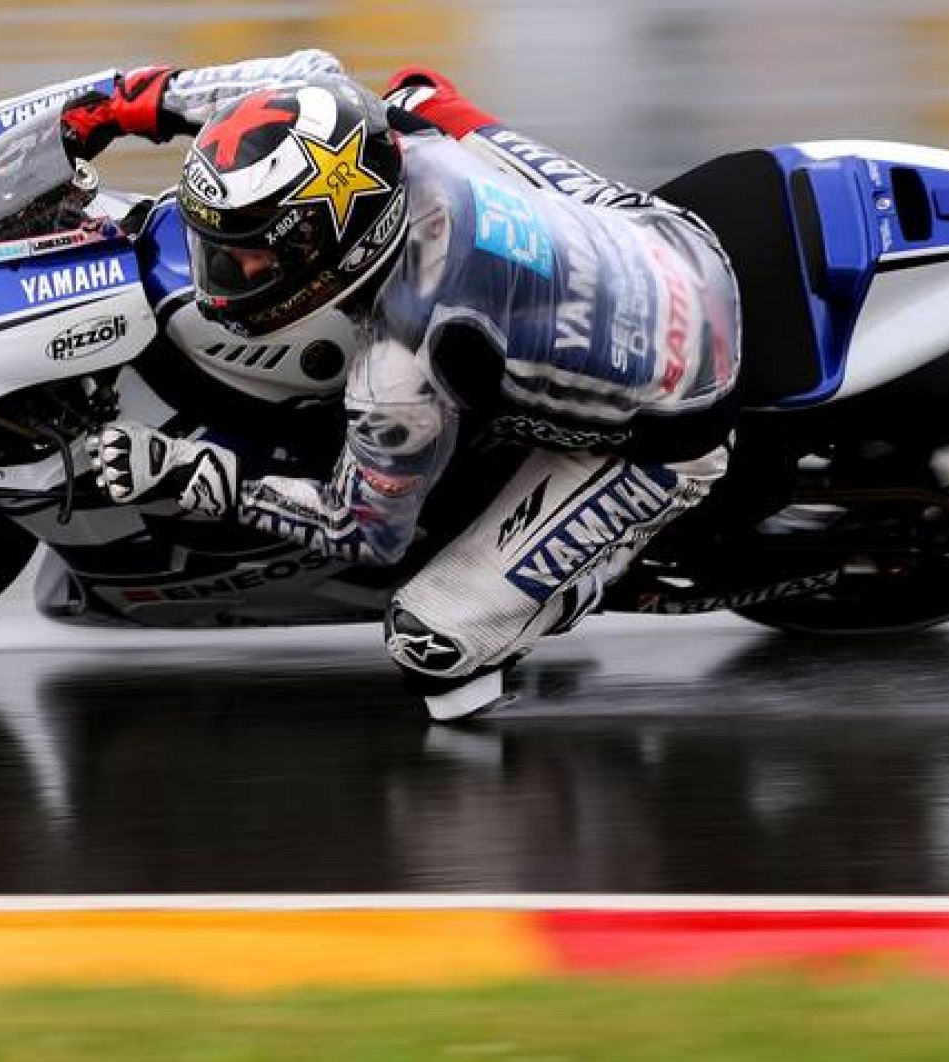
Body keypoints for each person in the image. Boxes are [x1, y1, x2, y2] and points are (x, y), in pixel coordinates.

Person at [73, 51, 741, 719]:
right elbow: (260, 86)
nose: (225, 266)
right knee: (418, 96)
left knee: (427, 642)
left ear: (335, 243)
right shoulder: (348, 117)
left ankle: (587, 579)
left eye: (251, 253)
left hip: (672, 415)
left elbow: (363, 530)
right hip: (661, 234)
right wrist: (109, 109)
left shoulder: (400, 363)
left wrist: (196, 474)